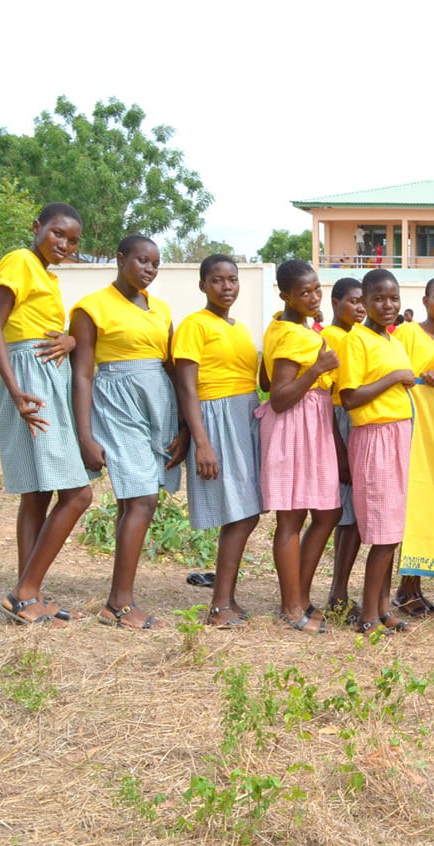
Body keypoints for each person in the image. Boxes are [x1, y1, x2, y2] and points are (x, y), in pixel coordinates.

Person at [68, 234, 185, 629]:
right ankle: (119, 604)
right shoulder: (91, 308)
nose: (149, 269)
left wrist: (184, 425)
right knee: (143, 500)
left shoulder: (162, 310)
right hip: (116, 402)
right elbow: (82, 373)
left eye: (155, 263)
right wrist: (85, 436)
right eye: (141, 261)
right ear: (120, 259)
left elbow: (171, 368)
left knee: (133, 500)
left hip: (158, 404)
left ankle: (118, 598)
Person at [0, 202, 93, 624]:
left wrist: (70, 341)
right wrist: (15, 391)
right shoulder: (19, 261)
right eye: (57, 234)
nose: (64, 244)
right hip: (29, 384)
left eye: (73, 241)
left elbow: (34, 327)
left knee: (38, 493)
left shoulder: (45, 274)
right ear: (37, 228)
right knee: (78, 494)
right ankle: (24, 592)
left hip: (47, 379)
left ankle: (28, 597)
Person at [172, 255, 263, 628]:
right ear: (202, 285)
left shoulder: (239, 327)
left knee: (246, 511)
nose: (227, 287)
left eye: (233, 279)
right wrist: (201, 442)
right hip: (216, 418)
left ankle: (226, 599)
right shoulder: (195, 326)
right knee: (240, 513)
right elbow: (186, 387)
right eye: (217, 280)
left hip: (244, 417)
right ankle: (219, 605)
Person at [258, 260, 342, 634]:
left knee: (326, 513)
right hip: (294, 424)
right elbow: (277, 396)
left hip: (313, 423)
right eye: (304, 292)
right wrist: (317, 369)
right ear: (285, 295)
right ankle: (291, 607)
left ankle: (301, 597)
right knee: (291, 518)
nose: (313, 297)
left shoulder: (285, 325)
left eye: (317, 289)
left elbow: (263, 372)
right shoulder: (292, 335)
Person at [338, 268, 418, 636]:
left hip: (399, 435)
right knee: (383, 533)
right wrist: (393, 378)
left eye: (394, 299)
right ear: (365, 302)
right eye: (379, 299)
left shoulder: (393, 340)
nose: (388, 305)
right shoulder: (356, 341)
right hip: (375, 436)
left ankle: (384, 609)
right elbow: (350, 398)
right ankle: (368, 615)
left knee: (395, 530)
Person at [391, 277, 434, 619]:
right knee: (411, 508)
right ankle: (407, 587)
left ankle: (410, 587)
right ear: (426, 299)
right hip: (406, 427)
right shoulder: (407, 333)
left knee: (425, 506)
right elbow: (396, 372)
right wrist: (421, 378)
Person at [320, 278, 366, 621]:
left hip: (355, 420)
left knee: (349, 518)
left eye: (364, 302)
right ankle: (337, 592)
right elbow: (328, 397)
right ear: (336, 302)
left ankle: (340, 590)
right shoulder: (333, 339)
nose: (361, 308)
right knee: (343, 516)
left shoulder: (356, 337)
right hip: (340, 418)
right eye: (353, 301)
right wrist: (338, 446)